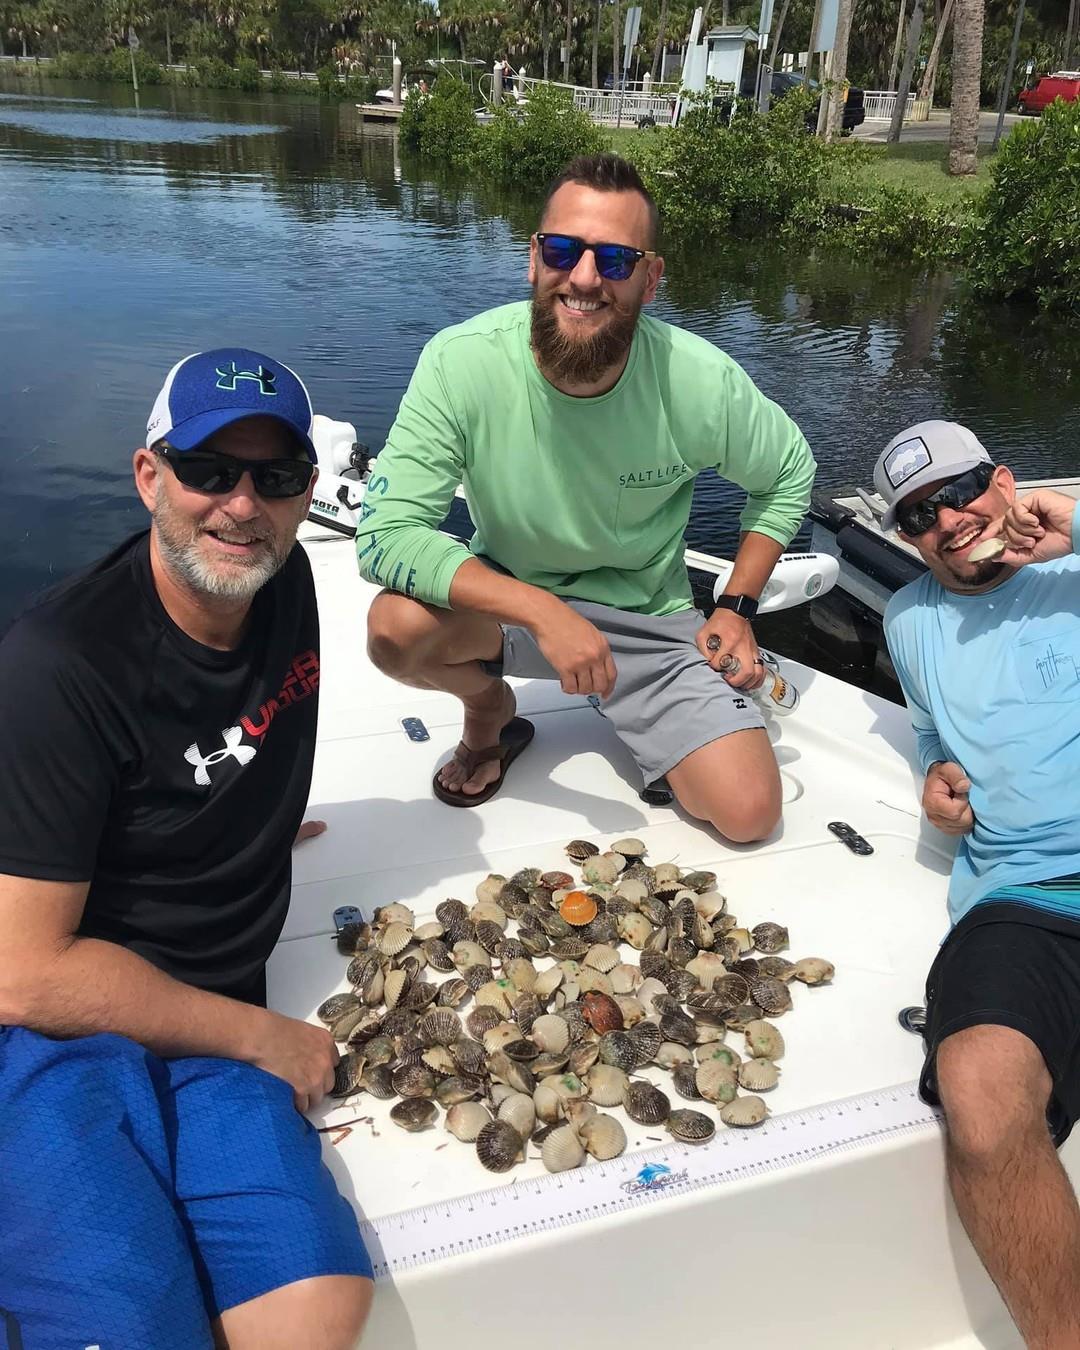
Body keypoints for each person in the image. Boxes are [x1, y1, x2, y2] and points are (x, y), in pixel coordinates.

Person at [0, 350, 373, 1350]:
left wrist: (245, 818)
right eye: (209, 469)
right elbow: (22, 976)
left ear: (306, 492)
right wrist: (262, 1038)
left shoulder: (285, 584)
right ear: (149, 476)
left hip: (211, 1008)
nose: (242, 506)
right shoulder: (58, 667)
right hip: (57, 1030)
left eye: (275, 476)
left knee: (316, 1310)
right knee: (125, 1326)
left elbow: (231, 737)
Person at [361, 154, 815, 842]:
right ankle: (488, 711)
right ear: (533, 258)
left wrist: (737, 605)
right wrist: (541, 611)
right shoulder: (460, 362)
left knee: (750, 813)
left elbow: (788, 473)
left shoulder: (700, 380)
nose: (583, 278)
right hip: (509, 604)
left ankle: (639, 704)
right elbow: (385, 534)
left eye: (615, 260)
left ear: (650, 279)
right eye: (562, 250)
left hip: (648, 619)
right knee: (395, 630)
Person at [878, 418, 1080, 1349]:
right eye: (919, 516)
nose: (949, 521)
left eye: (960, 493)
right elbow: (929, 726)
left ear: (1004, 482)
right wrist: (934, 775)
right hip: (1022, 898)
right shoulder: (906, 618)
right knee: (981, 1093)